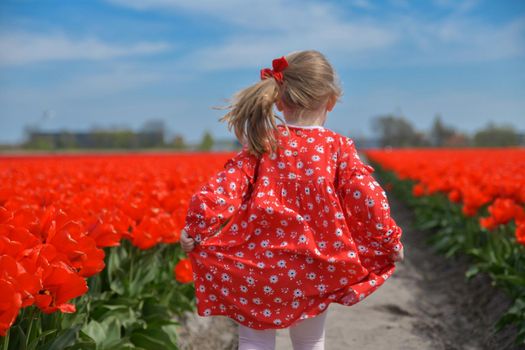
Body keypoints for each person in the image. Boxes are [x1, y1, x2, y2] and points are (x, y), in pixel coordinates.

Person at [180, 50, 404, 350]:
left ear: (279, 100)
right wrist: (390, 241)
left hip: (257, 264)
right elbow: (368, 197)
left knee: (253, 341)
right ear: (331, 101)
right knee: (310, 342)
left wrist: (196, 230)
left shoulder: (262, 143)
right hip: (314, 267)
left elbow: (221, 190)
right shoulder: (337, 148)